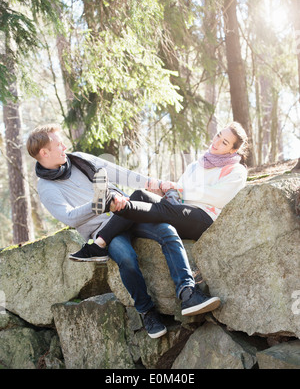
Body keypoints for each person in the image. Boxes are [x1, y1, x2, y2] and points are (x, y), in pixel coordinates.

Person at [26, 124, 221, 339]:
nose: (64, 146)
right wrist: (101, 204)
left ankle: (188, 293)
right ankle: (147, 311)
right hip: (101, 227)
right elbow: (69, 217)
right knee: (126, 257)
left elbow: (119, 173)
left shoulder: (79, 159)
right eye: (58, 144)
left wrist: (158, 183)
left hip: (127, 212)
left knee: (167, 230)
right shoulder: (46, 188)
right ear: (44, 153)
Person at [73, 121, 248, 252]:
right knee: (141, 194)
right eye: (218, 135)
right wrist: (164, 191)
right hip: (180, 211)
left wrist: (179, 190)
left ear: (233, 150)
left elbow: (218, 197)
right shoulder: (197, 164)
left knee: (160, 209)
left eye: (225, 142)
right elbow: (179, 194)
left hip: (205, 219)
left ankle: (111, 203)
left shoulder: (236, 170)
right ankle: (99, 243)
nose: (216, 142)